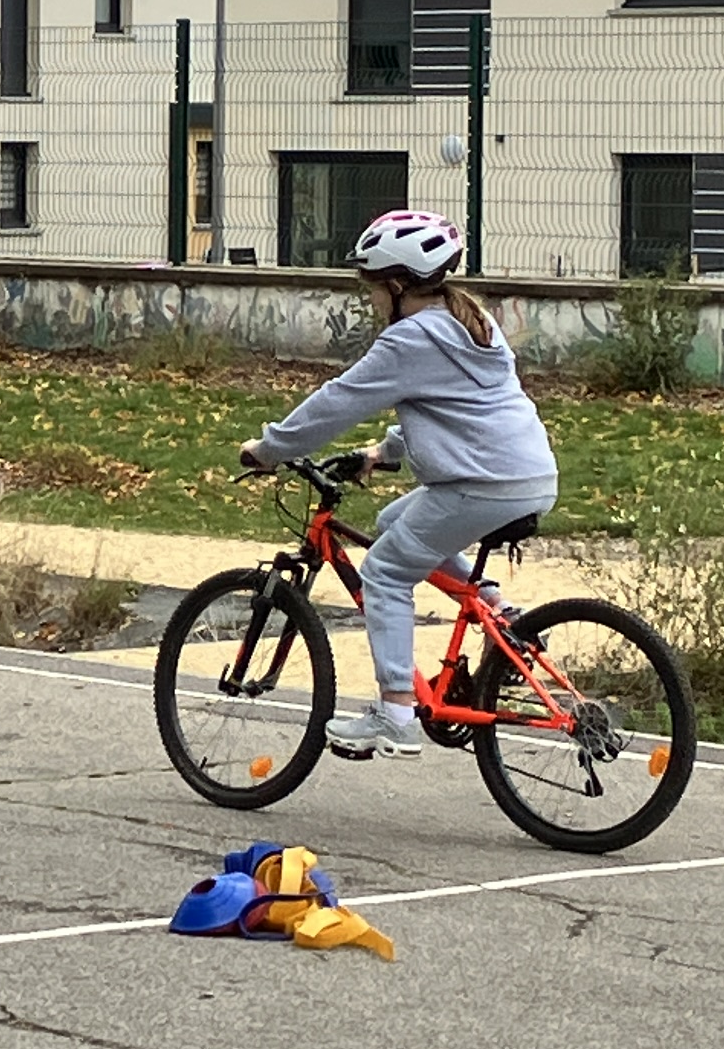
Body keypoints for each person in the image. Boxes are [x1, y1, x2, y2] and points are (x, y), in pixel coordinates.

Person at [236, 209, 559, 759]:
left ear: (395, 284)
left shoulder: (412, 338)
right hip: (527, 475)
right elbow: (457, 410)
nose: (370, 302)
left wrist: (271, 449)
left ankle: (394, 714)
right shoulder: (470, 320)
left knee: (384, 572)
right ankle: (505, 619)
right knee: (391, 524)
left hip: (479, 484)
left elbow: (339, 400)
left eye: (372, 291)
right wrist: (382, 453)